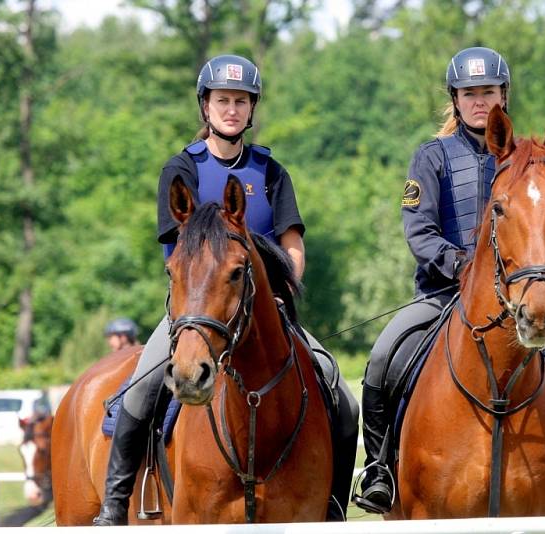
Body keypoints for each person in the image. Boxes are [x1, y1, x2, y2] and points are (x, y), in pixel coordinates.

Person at [93, 54, 359, 525]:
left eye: (240, 101)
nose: (231, 109)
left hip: (264, 311)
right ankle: (115, 506)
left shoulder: (271, 173)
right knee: (139, 392)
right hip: (197, 310)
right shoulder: (182, 169)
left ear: (251, 109)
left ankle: (334, 507)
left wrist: (283, 289)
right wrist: (194, 301)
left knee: (340, 396)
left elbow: (292, 246)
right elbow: (175, 252)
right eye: (223, 100)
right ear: (206, 106)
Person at [353, 46, 545, 514]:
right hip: (441, 295)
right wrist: (459, 266)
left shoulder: (524, 159)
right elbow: (419, 229)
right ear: (455, 99)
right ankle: (379, 468)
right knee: (381, 359)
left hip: (517, 295)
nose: (480, 101)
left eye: (488, 92)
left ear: (504, 96)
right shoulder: (432, 157)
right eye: (470, 93)